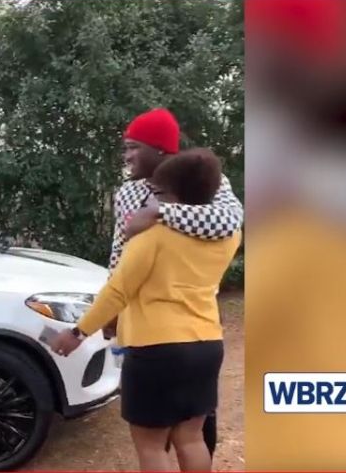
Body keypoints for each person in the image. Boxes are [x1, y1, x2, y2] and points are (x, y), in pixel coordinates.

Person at [51, 148, 241, 471]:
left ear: (176, 195)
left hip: (156, 350)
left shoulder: (152, 235)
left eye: (159, 193)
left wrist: (77, 332)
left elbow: (118, 290)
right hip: (207, 346)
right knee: (191, 438)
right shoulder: (229, 237)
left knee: (152, 446)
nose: (152, 201)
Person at [105, 108, 244, 457]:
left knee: (194, 426)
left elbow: (228, 220)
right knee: (160, 428)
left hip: (194, 316)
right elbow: (119, 252)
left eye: (133, 147)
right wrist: (112, 310)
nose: (127, 156)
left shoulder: (207, 180)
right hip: (144, 323)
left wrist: (159, 212)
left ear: (160, 149)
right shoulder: (127, 193)